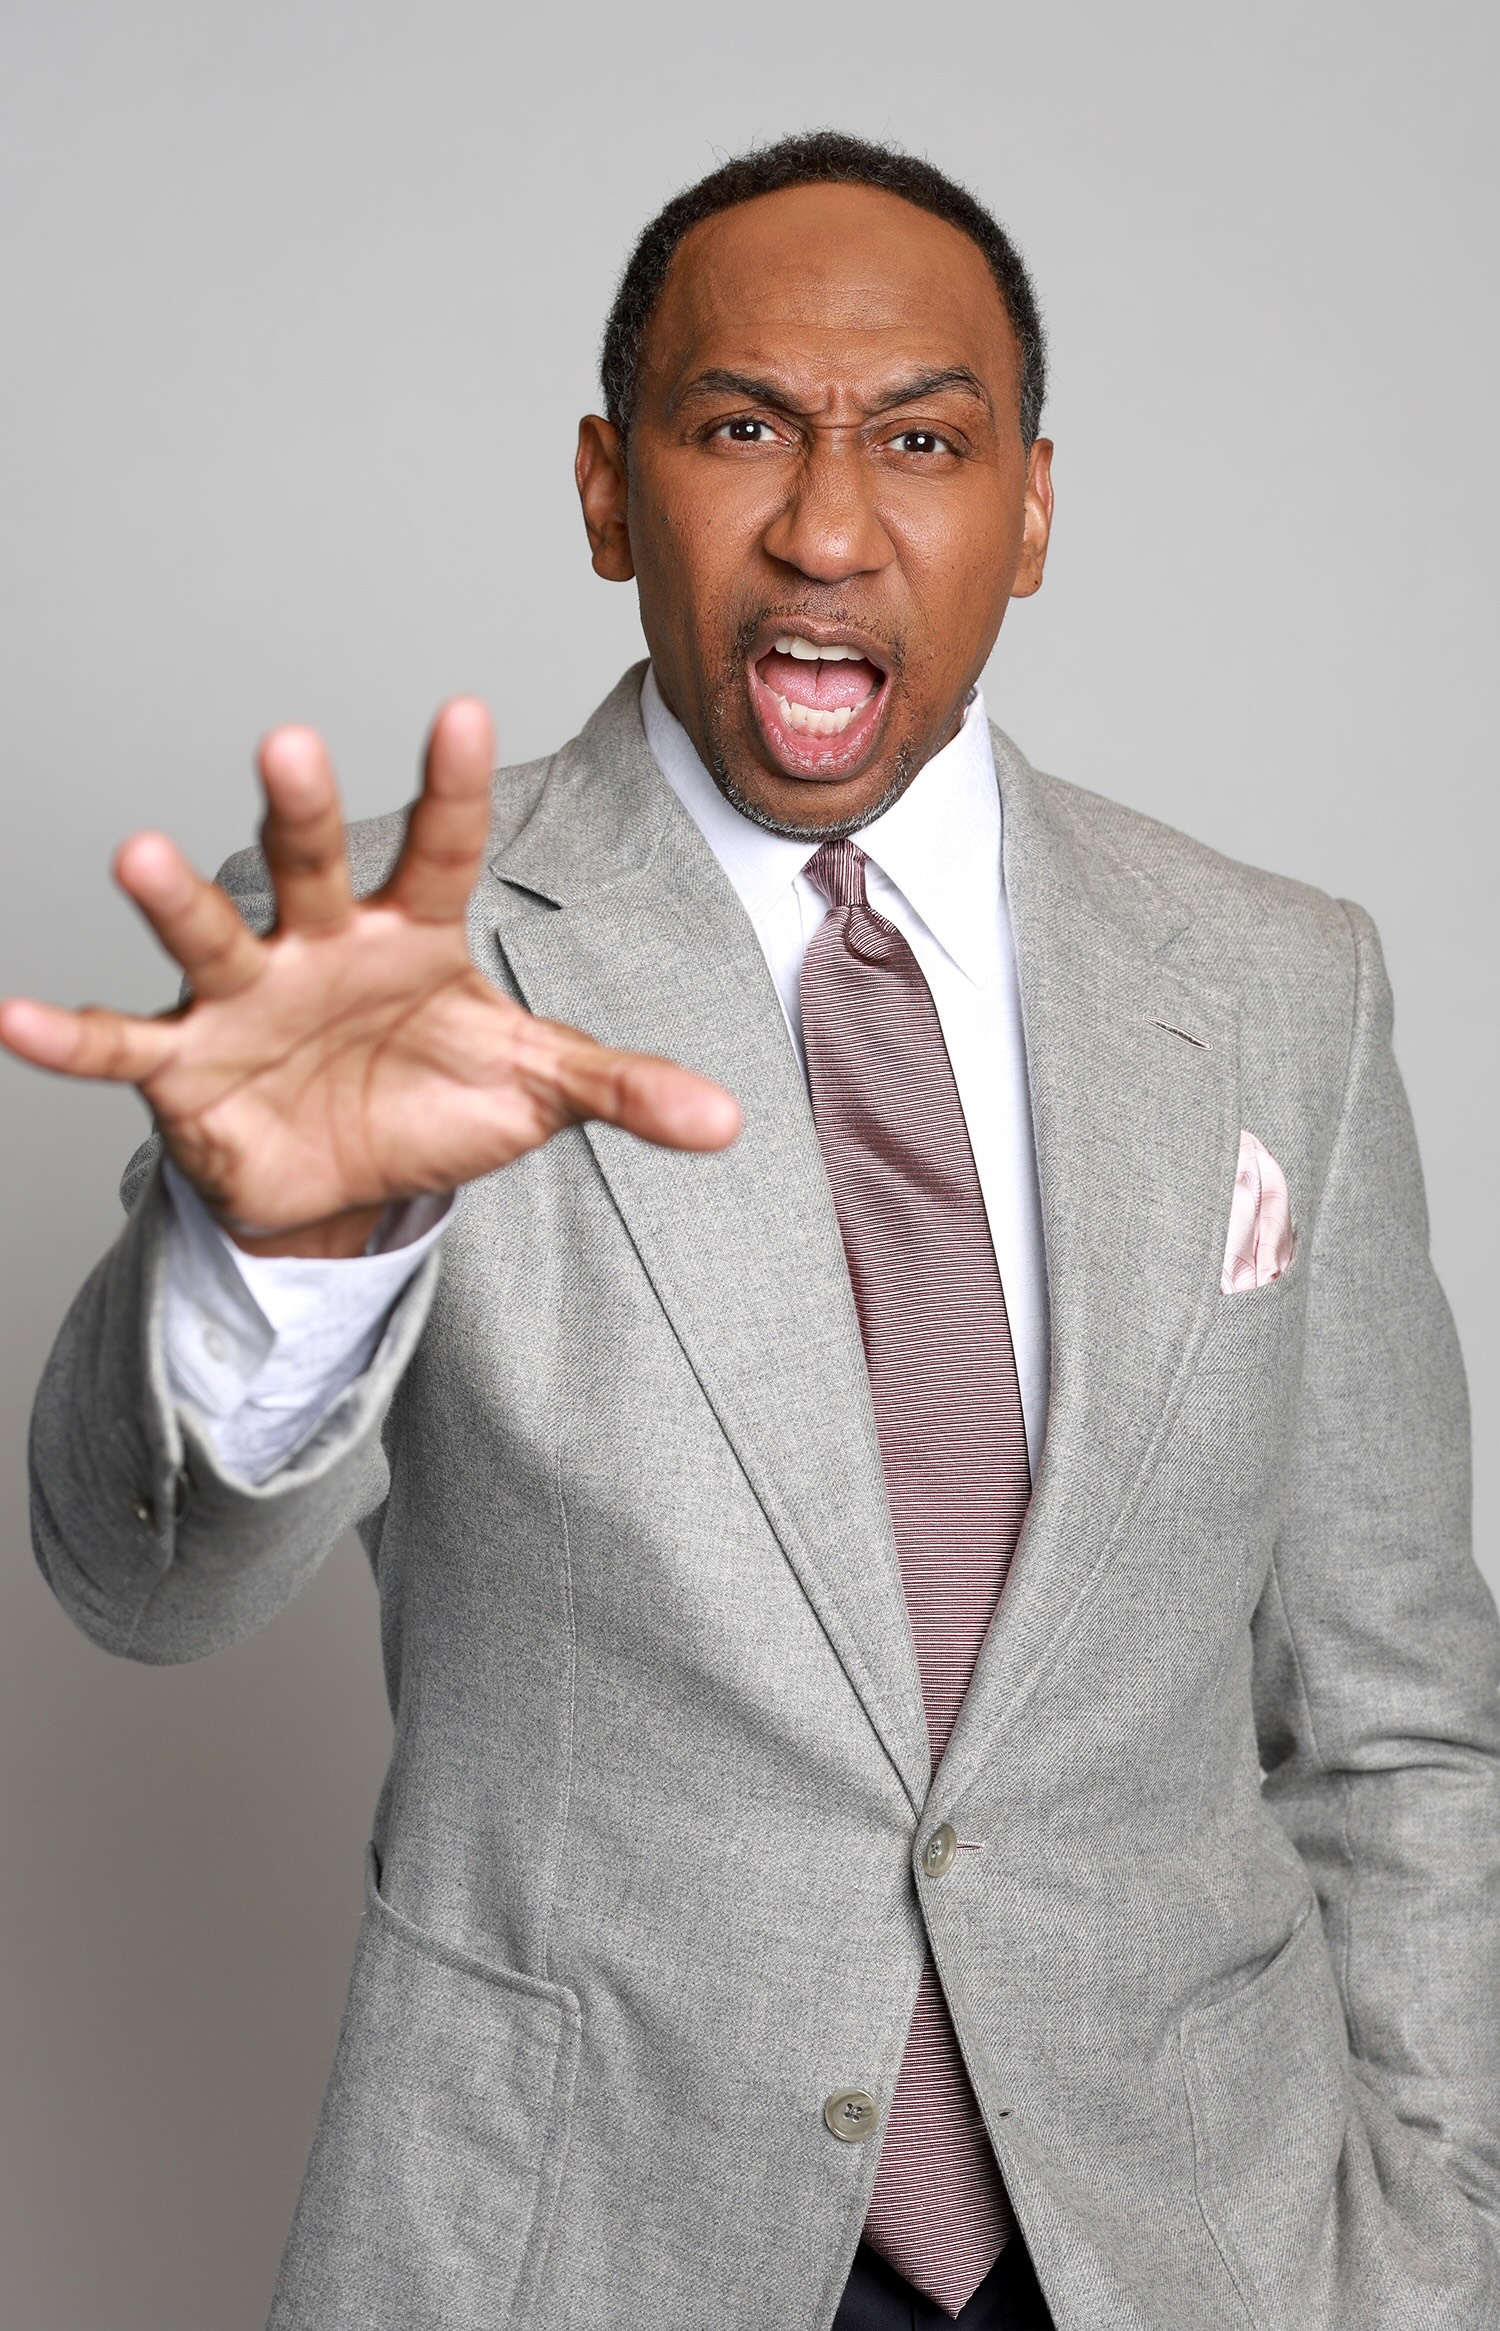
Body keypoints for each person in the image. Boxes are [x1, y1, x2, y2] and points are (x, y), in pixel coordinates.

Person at [6, 129, 1498, 2331]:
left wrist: (1445, 2244)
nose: (827, 523)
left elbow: (1398, 1720)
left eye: (923, 440)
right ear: (608, 491)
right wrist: (288, 1259)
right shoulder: (393, 974)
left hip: (1214, 2249)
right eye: (739, 429)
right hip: (583, 2246)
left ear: (1034, 511)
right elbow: (132, 1581)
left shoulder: (1284, 983)